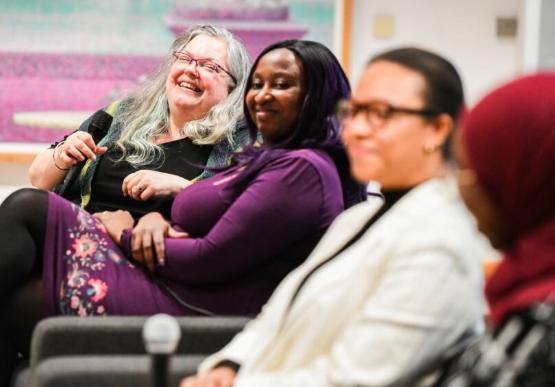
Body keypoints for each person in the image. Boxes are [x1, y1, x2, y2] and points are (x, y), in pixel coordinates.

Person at [0, 39, 363, 385]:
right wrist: (156, 219)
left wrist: (123, 231)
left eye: (208, 66)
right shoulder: (262, 157)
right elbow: (216, 213)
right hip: (156, 270)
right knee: (19, 251)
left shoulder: (295, 166)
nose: (263, 95)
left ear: (317, 98)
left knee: (26, 215)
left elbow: (211, 256)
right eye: (259, 83)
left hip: (184, 298)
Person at [181, 47, 486, 387]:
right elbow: (277, 317)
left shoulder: (438, 244)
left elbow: (352, 379)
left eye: (380, 113)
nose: (355, 129)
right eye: (354, 112)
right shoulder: (360, 218)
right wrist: (230, 365)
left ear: (437, 129)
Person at [28, 24, 251, 219]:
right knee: (27, 203)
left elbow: (243, 213)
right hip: (78, 234)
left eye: (209, 67)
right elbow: (39, 179)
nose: (191, 70)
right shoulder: (124, 112)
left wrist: (182, 188)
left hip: (147, 250)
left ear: (233, 88)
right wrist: (63, 154)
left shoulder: (239, 141)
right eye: (184, 59)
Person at [436, 73, 555, 387]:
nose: (463, 194)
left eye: (471, 173)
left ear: (528, 179)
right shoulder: (529, 286)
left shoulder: (539, 325)